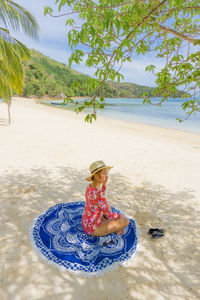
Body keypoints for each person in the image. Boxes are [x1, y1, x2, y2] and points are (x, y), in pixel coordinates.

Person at [82, 160, 129, 237]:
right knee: (125, 221)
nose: (107, 176)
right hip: (93, 229)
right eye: (104, 174)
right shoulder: (98, 193)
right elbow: (109, 214)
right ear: (96, 176)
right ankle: (114, 228)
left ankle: (107, 223)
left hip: (86, 222)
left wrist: (104, 185)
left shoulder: (90, 187)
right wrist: (120, 216)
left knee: (107, 206)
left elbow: (101, 197)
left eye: (107, 173)